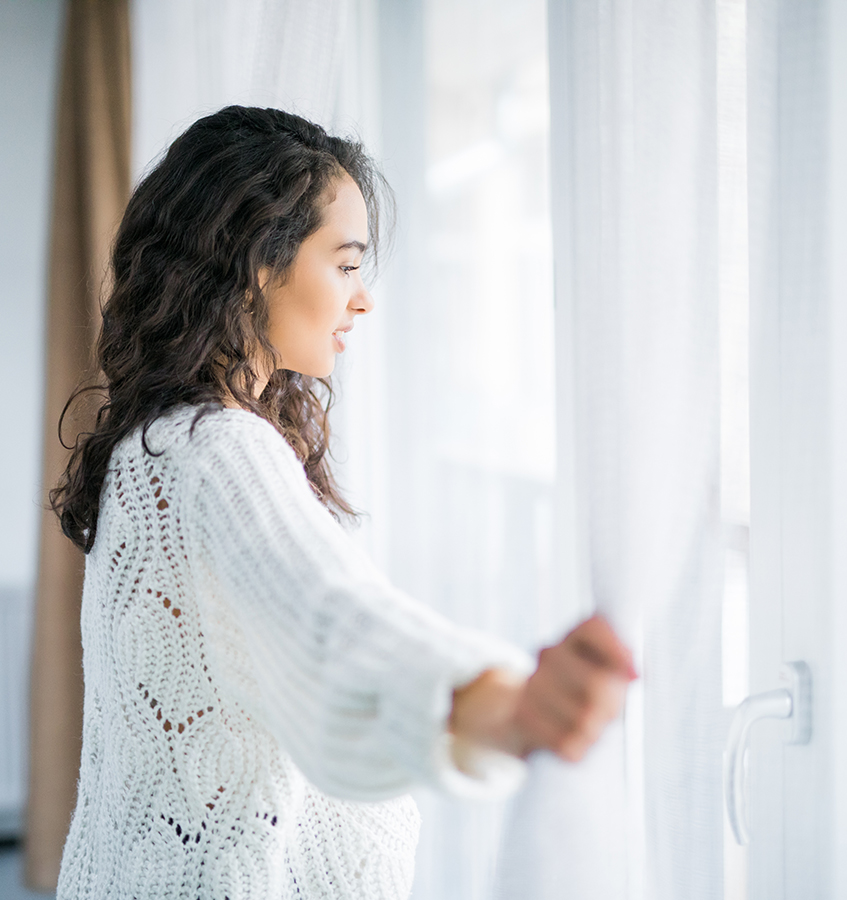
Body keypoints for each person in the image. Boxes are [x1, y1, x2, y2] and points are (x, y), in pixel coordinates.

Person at [50, 106, 637, 900]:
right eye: (346, 264)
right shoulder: (220, 449)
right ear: (261, 263)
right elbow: (327, 615)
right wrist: (500, 705)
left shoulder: (152, 444)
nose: (362, 301)